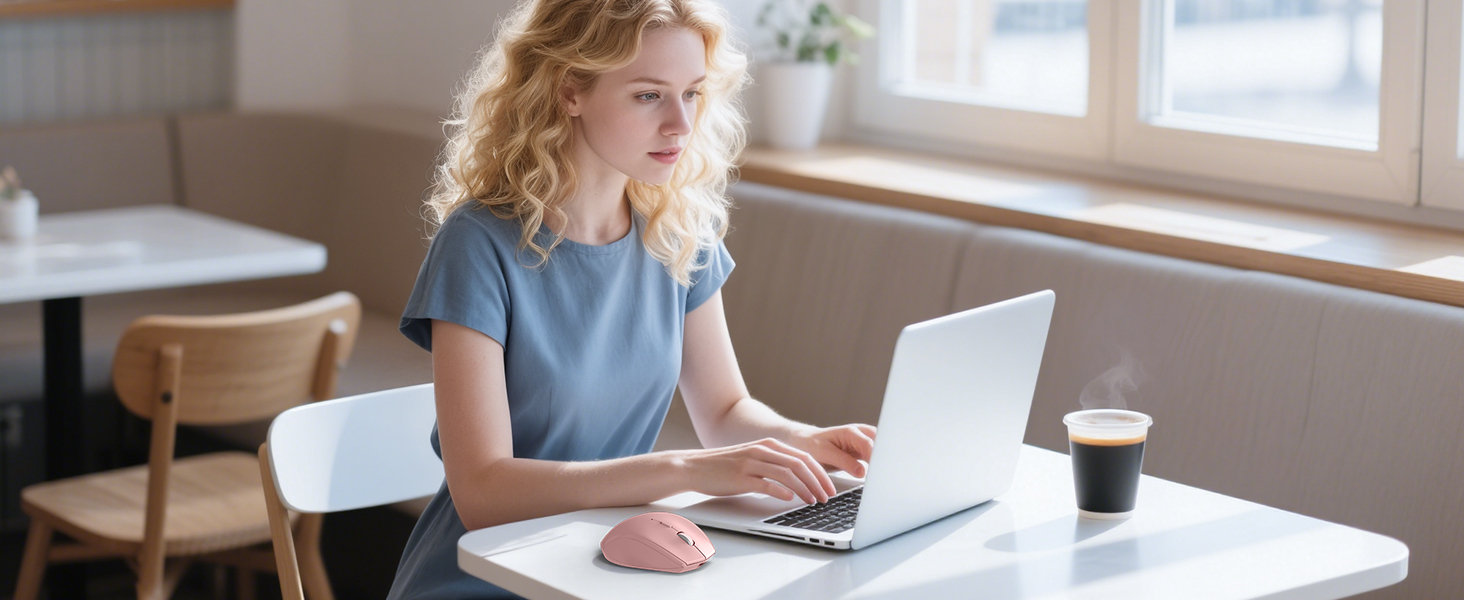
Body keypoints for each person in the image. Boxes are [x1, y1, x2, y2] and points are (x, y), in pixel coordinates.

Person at [387, 0, 878, 597]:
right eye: (649, 95)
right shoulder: (477, 244)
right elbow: (485, 492)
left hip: (604, 569)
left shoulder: (676, 233)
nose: (680, 123)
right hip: (483, 579)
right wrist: (682, 469)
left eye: (692, 93)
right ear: (571, 90)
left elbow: (724, 411)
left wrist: (801, 442)